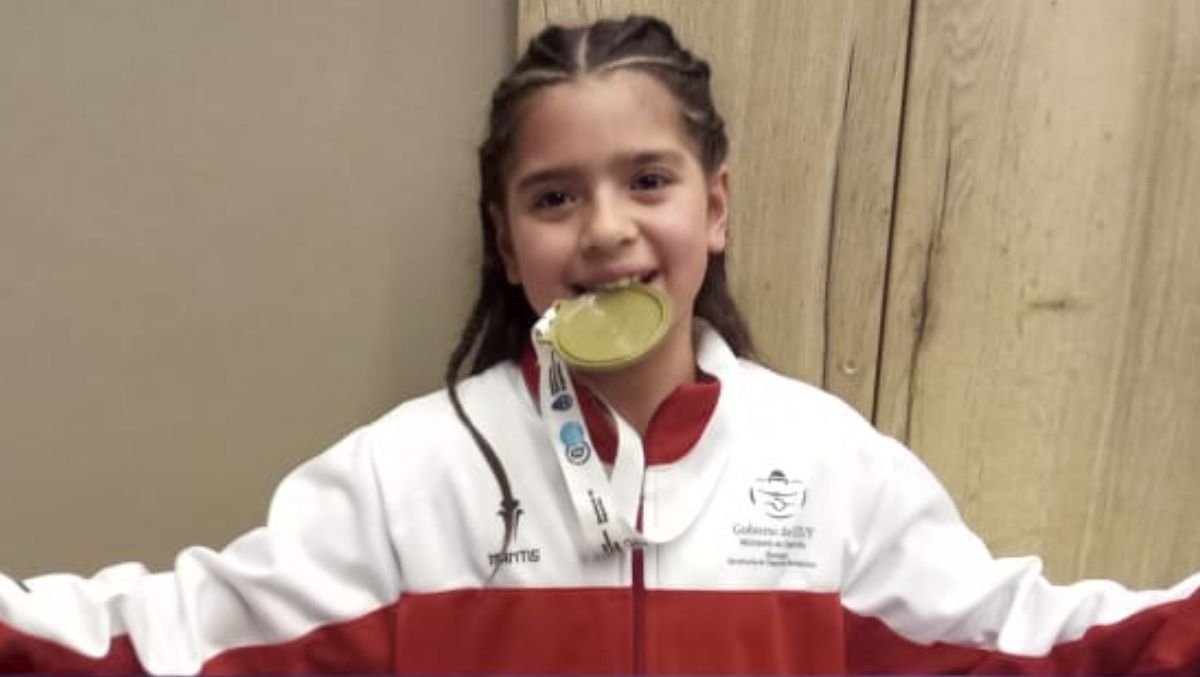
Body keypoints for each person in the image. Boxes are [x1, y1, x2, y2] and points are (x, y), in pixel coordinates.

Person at [2, 14, 1198, 676]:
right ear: (504, 238)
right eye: (555, 196)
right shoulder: (407, 476)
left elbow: (1035, 643)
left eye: (649, 181)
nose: (607, 228)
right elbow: (169, 639)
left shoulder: (830, 464)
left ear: (715, 207)